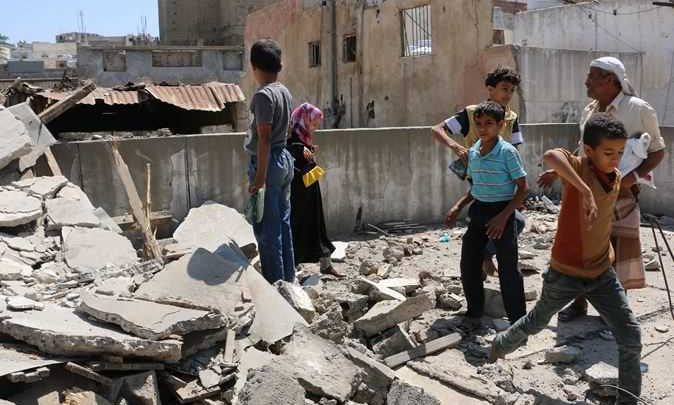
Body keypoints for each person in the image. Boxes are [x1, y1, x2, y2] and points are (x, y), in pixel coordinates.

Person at [491, 114, 642, 405]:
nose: (616, 159)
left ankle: (628, 400)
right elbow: (551, 155)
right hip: (565, 274)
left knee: (630, 336)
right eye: (609, 153)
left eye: (620, 153)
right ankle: (500, 345)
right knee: (536, 322)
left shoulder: (615, 176)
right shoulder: (579, 168)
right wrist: (582, 189)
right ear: (589, 150)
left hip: (602, 273)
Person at [538, 56, 666, 322]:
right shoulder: (590, 110)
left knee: (618, 252)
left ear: (609, 80)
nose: (586, 81)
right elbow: (583, 151)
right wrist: (560, 171)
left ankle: (616, 313)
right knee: (585, 249)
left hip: (622, 193)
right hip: (587, 192)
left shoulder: (638, 109)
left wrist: (629, 179)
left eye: (592, 76)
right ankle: (579, 304)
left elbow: (657, 151)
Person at [432, 66, 526, 277]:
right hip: (480, 180)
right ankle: (483, 259)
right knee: (506, 222)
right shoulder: (472, 113)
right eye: (504, 88)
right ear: (490, 89)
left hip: (502, 182)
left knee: (512, 222)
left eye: (512, 90)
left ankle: (486, 257)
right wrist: (456, 146)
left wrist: (518, 189)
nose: (508, 94)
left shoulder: (511, 117)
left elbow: (515, 150)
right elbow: (437, 129)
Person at [458, 101, 528, 326]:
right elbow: (477, 187)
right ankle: (474, 313)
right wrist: (458, 206)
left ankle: (518, 321)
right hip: (479, 211)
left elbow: (523, 188)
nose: (483, 128)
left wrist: (504, 217)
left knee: (508, 268)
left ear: (500, 125)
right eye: (479, 124)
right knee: (469, 263)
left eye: (489, 123)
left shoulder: (507, 152)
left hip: (502, 212)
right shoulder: (474, 151)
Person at [245, 39, 295, 284]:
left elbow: (264, 138)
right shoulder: (284, 91)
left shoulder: (263, 96)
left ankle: (276, 285)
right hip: (284, 159)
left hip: (270, 162)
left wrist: (259, 179)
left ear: (254, 66)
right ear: (279, 66)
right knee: (283, 223)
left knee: (267, 229)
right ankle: (288, 279)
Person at [286, 103, 345, 278]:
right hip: (299, 194)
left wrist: (309, 152)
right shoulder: (292, 140)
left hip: (310, 191)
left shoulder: (303, 139)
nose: (315, 128)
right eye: (313, 124)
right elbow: (286, 153)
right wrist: (300, 149)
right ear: (304, 121)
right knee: (298, 227)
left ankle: (325, 264)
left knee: (317, 226)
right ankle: (292, 268)